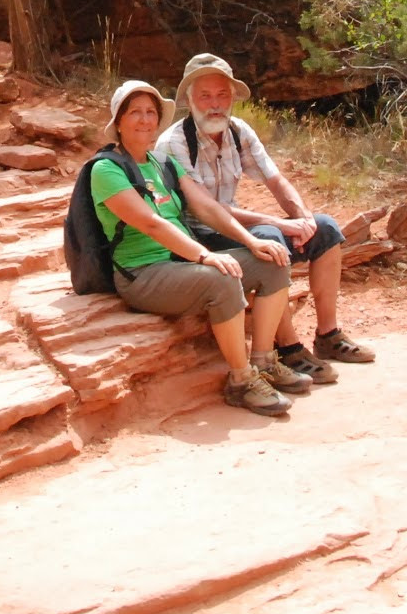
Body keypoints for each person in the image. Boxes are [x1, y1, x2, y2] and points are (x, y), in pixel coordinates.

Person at [87, 79, 313, 417]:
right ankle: (240, 381)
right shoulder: (106, 169)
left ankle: (264, 360)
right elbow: (151, 223)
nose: (145, 120)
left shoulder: (162, 164)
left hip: (178, 264)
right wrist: (204, 255)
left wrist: (252, 241)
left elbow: (206, 207)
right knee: (220, 279)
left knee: (273, 260)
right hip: (143, 275)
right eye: (135, 112)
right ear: (118, 121)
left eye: (151, 112)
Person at [157, 53, 376, 385]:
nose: (214, 104)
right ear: (188, 99)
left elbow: (275, 180)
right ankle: (288, 348)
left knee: (327, 230)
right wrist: (281, 225)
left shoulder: (237, 131)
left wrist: (303, 218)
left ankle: (328, 335)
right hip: (201, 236)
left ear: (232, 97)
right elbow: (207, 209)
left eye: (221, 95)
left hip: (238, 228)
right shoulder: (173, 142)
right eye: (205, 95)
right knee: (272, 243)